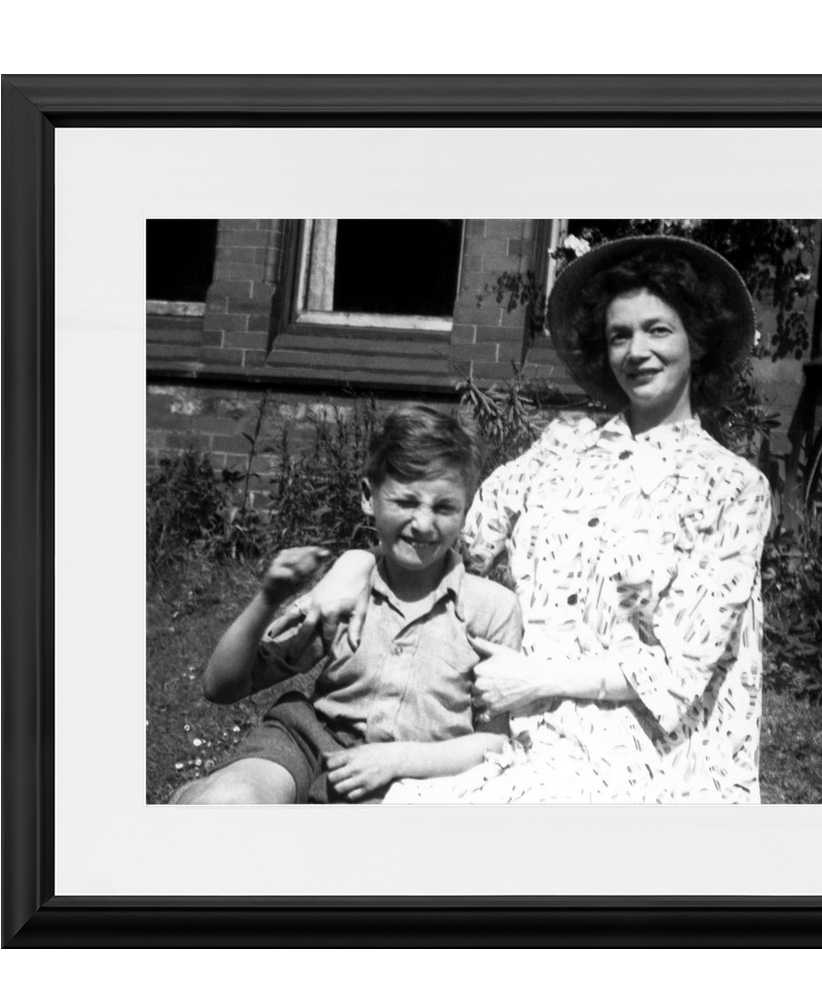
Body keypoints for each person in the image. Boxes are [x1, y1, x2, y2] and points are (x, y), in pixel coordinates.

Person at [303, 235, 771, 803]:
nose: (636, 351)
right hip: (522, 726)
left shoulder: (733, 486)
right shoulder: (559, 450)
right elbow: (448, 539)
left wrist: (536, 678)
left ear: (697, 341)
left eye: (658, 330)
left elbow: (679, 670)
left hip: (652, 752)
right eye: (619, 335)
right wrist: (354, 565)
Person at [172, 404, 523, 804]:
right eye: (405, 502)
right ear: (368, 498)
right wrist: (269, 598)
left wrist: (398, 760)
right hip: (310, 744)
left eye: (444, 507)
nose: (424, 524)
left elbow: (495, 740)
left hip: (417, 777)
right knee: (226, 804)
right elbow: (222, 686)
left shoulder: (491, 610)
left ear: (465, 509)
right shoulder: (344, 589)